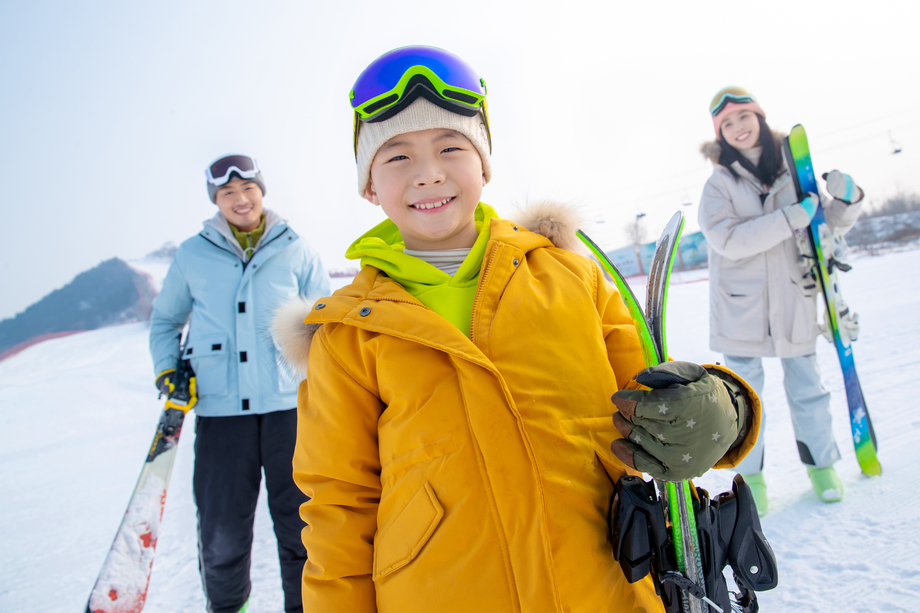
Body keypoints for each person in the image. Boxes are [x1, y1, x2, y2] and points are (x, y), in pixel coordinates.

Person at [274, 46, 761, 612]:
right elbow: (339, 505)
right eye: (397, 156)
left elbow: (658, 397)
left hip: (607, 590)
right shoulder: (347, 336)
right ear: (369, 187)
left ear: (483, 164)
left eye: (450, 147)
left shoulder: (570, 278)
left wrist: (723, 407)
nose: (429, 172)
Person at [149, 155, 330, 613]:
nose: (240, 199)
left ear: (261, 192)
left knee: (303, 530)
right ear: (217, 202)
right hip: (221, 415)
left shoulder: (297, 248)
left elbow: (328, 325)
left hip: (290, 410)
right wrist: (168, 368)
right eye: (227, 193)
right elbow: (165, 321)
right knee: (222, 536)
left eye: (247, 189)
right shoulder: (193, 254)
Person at [698, 87, 865, 514]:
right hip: (741, 309)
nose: (738, 128)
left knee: (809, 390)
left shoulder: (794, 171)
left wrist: (849, 200)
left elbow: (826, 225)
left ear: (759, 117)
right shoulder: (719, 183)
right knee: (741, 404)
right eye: (727, 124)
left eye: (743, 117)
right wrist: (792, 217)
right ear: (719, 133)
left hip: (795, 300)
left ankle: (822, 467)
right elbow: (728, 240)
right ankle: (749, 480)